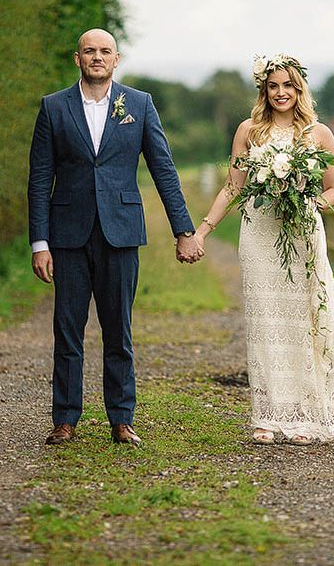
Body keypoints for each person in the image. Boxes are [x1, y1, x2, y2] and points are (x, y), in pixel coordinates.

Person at [28, 28, 203, 447]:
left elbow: (164, 170)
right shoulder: (53, 107)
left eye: (105, 51)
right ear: (78, 58)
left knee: (118, 330)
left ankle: (121, 419)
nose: (97, 57)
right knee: (67, 329)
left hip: (121, 233)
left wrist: (184, 230)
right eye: (89, 51)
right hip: (67, 235)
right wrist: (40, 242)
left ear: (116, 58)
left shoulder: (139, 105)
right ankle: (65, 419)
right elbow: (39, 179)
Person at [195, 54, 334, 445]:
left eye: (288, 86)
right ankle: (267, 414)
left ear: (299, 89)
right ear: (263, 90)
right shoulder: (249, 131)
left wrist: (310, 202)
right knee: (265, 320)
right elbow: (233, 186)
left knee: (304, 320)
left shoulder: (318, 134)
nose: (281, 93)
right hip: (260, 234)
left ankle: (307, 414)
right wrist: (202, 231)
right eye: (273, 86)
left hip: (302, 234)